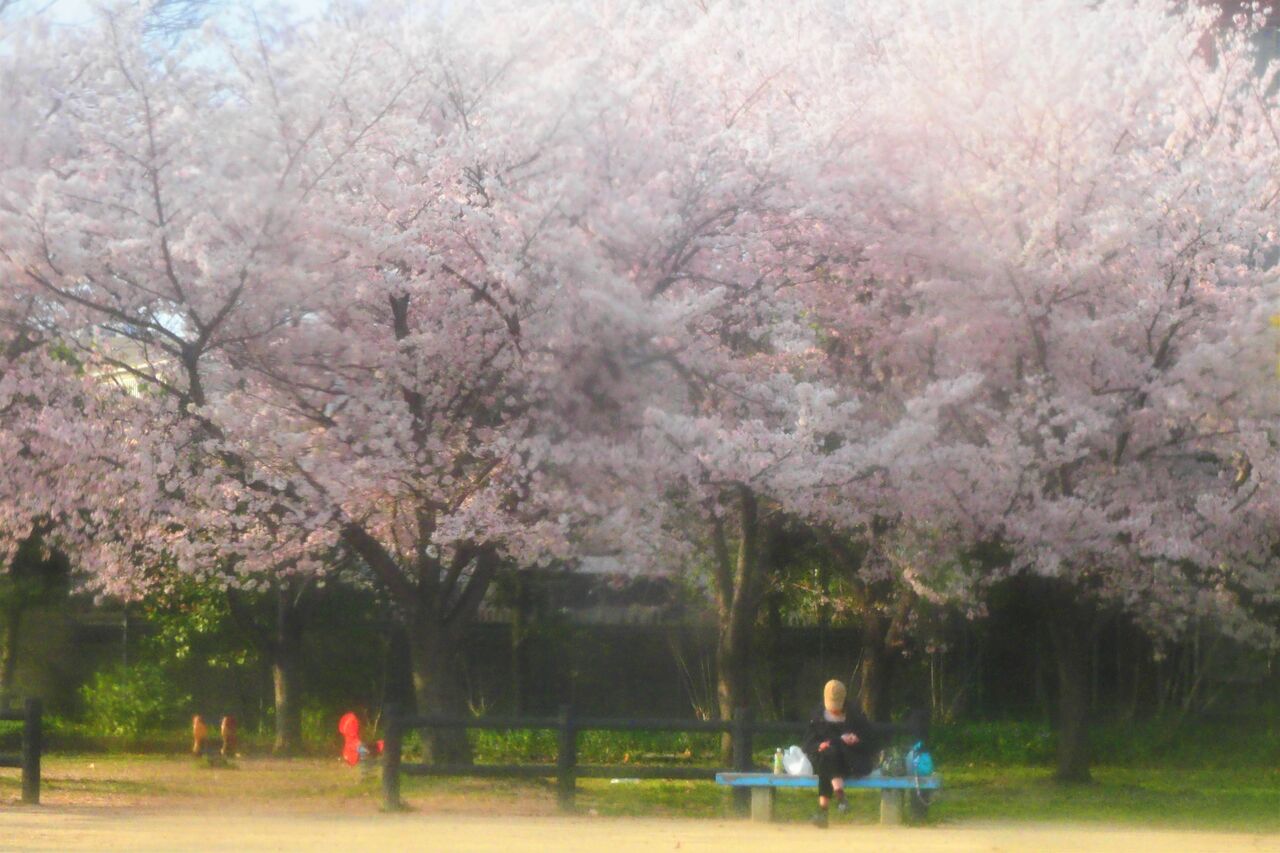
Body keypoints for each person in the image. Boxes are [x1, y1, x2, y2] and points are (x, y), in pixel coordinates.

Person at [801, 679, 880, 829]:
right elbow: (807, 745)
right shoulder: (817, 717)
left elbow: (872, 743)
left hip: (849, 760)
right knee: (828, 755)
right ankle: (841, 798)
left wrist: (857, 740)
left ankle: (823, 811)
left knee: (829, 758)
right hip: (825, 759)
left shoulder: (855, 716)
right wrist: (820, 745)